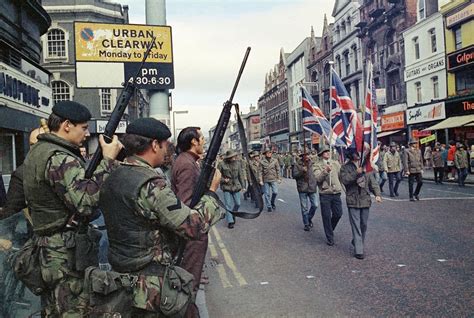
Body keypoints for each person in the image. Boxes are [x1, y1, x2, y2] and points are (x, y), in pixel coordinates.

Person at [99, 118, 223, 317]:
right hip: (150, 284)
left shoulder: (112, 174)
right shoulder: (150, 184)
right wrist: (212, 193)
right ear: (155, 145)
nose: (167, 150)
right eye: (165, 145)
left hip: (121, 277)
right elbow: (192, 226)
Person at [22, 101, 122, 316]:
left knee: (53, 309)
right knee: (72, 310)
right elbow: (85, 201)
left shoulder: (39, 151)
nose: (86, 134)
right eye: (83, 128)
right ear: (67, 125)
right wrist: (109, 161)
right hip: (64, 252)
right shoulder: (60, 158)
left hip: (48, 248)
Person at [171, 126, 209, 317]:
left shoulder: (188, 161)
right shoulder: (186, 164)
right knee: (189, 283)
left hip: (192, 231)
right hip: (192, 233)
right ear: (193, 142)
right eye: (201, 138)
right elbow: (186, 203)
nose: (203, 141)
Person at [340, 149, 382, 260]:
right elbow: (345, 180)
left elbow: (373, 182)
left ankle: (356, 241)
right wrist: (356, 173)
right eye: (355, 153)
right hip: (353, 199)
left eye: (358, 153)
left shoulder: (365, 166)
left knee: (363, 225)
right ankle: (359, 250)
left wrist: (377, 194)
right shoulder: (345, 167)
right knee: (356, 225)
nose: (357, 155)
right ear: (350, 155)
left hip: (365, 199)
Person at [313, 146, 343, 246]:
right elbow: (317, 178)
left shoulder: (335, 163)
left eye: (328, 151)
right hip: (325, 193)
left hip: (336, 192)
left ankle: (330, 228)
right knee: (326, 216)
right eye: (325, 152)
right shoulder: (317, 165)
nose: (327, 153)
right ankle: (330, 237)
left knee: (338, 214)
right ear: (321, 154)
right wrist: (325, 171)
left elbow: (341, 176)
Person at [217, 149, 245, 228]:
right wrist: (223, 180)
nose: (234, 158)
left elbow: (241, 175)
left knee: (238, 203)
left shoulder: (238, 163)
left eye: (234, 156)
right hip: (226, 187)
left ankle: (233, 214)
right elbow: (217, 175)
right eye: (232, 157)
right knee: (228, 205)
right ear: (228, 157)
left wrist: (243, 186)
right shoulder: (221, 164)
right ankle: (230, 221)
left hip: (236, 186)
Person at [292, 153, 318, 231]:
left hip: (311, 187)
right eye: (305, 155)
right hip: (302, 187)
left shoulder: (313, 163)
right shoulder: (297, 164)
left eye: (308, 155)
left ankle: (309, 218)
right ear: (302, 156)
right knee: (304, 208)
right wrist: (301, 171)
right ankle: (306, 223)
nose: (307, 156)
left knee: (315, 205)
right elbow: (294, 175)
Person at [260, 147, 281, 212]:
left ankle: (272, 202)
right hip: (266, 179)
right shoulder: (262, 162)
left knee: (275, 192)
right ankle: (269, 206)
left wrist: (279, 178)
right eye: (268, 153)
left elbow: (278, 170)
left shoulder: (275, 160)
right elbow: (260, 172)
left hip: (273, 179)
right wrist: (260, 180)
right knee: (267, 194)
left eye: (270, 152)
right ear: (265, 154)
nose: (269, 154)